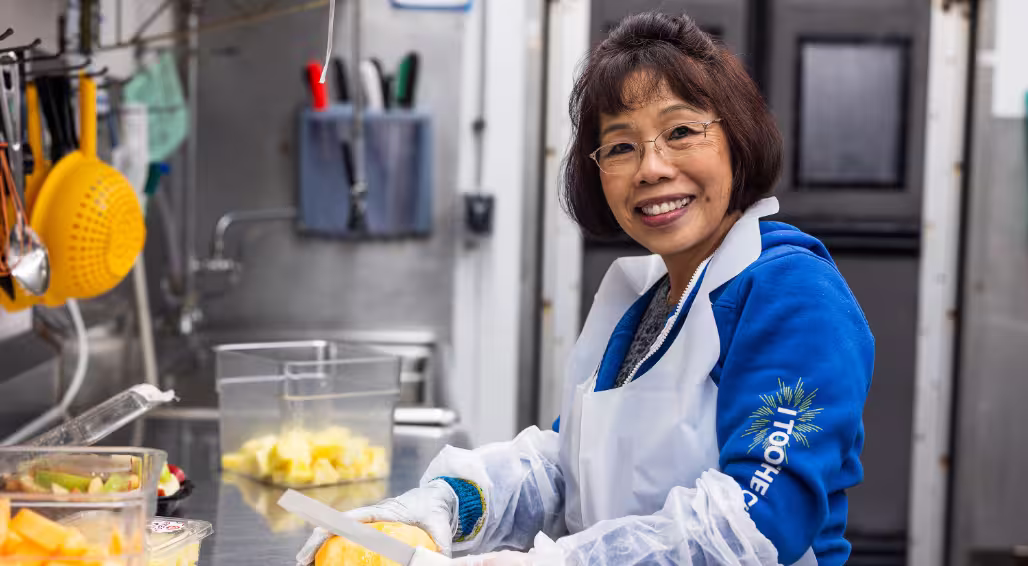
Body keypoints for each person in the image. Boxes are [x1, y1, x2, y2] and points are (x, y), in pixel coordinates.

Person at [298, 11, 873, 566]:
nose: (651, 168)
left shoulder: (792, 291)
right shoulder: (650, 299)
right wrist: (450, 505)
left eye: (680, 131)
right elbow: (568, 468)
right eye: (621, 146)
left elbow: (756, 520)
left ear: (738, 140)